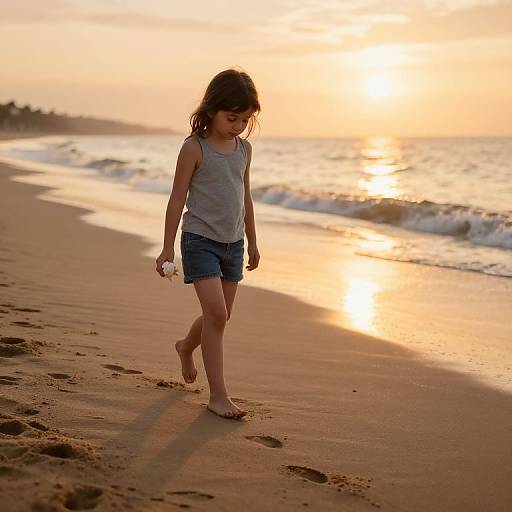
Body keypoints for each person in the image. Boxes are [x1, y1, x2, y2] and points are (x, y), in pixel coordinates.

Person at [155, 68, 261, 420]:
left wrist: (254, 242)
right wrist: (168, 247)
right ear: (212, 109)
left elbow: (244, 197)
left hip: (234, 244)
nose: (238, 126)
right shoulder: (193, 148)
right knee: (216, 314)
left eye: (245, 120)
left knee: (220, 316)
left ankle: (185, 347)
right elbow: (176, 199)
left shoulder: (243, 149)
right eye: (232, 117)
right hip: (199, 240)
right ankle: (218, 396)